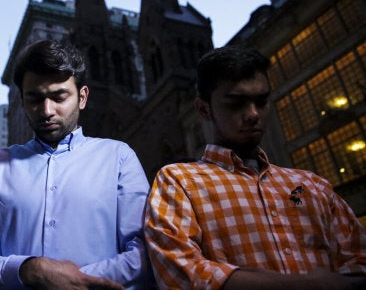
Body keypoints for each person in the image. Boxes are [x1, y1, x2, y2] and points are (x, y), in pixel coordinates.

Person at [144, 46, 366, 290]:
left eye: (261, 102)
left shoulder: (312, 184)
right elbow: (180, 273)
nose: (253, 114)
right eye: (236, 104)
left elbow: (359, 259)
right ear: (204, 109)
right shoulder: (178, 181)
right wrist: (311, 284)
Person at [0, 40, 152, 290]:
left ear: (82, 97)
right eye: (34, 98)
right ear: (22, 101)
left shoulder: (118, 157)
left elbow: (144, 251)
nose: (46, 110)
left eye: (59, 96)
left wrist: (70, 281)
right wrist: (30, 270)